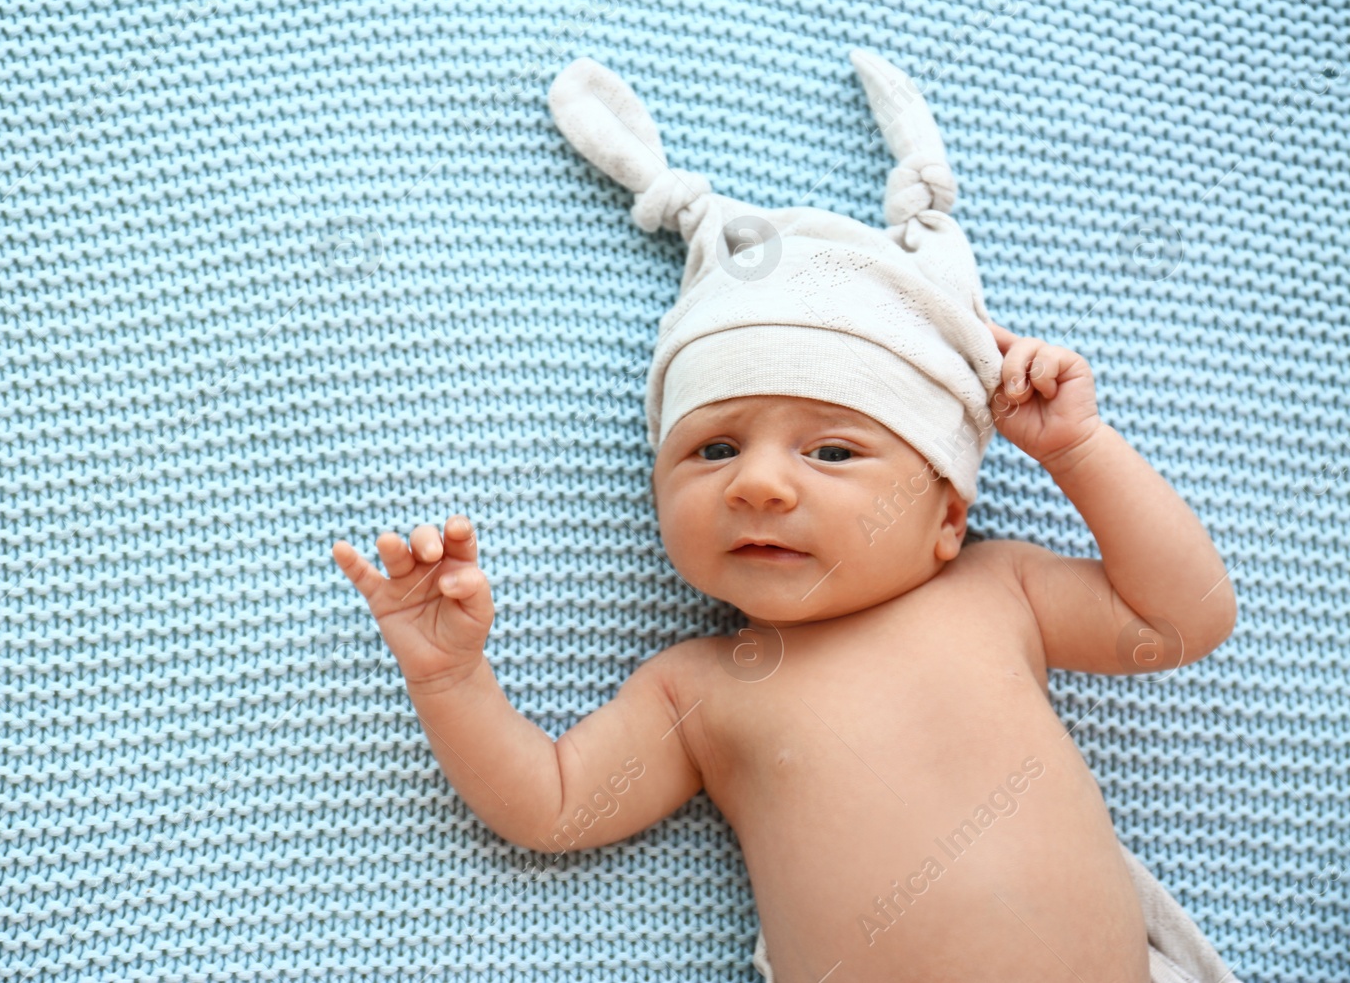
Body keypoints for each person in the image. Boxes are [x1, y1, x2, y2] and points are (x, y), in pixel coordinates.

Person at [331, 50, 1245, 983]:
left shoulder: (996, 589)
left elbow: (1183, 616)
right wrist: (450, 677)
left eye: (834, 451)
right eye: (714, 448)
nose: (757, 485)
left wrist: (1075, 450)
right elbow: (552, 803)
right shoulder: (700, 692)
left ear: (945, 514)